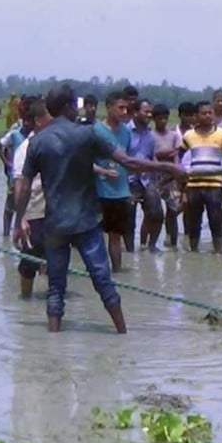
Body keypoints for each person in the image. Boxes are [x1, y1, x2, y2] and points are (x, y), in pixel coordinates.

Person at [13, 84, 182, 333]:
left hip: (55, 223)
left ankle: (53, 340)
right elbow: (129, 162)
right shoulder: (88, 134)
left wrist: (19, 220)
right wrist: (168, 168)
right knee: (104, 282)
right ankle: (122, 333)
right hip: (86, 221)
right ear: (70, 107)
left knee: (55, 288)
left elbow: (24, 188)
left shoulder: (37, 142)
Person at [179, 100, 222, 252]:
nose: (208, 116)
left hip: (215, 185)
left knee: (216, 220)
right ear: (196, 116)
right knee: (193, 221)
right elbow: (178, 156)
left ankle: (218, 252)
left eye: (210, 113)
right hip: (193, 186)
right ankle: (193, 252)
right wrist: (181, 178)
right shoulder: (189, 135)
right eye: (204, 113)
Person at [12, 99, 51, 298]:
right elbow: (20, 186)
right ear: (38, 121)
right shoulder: (25, 149)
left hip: (53, 211)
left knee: (54, 260)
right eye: (48, 117)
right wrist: (21, 219)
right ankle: (25, 300)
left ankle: (52, 301)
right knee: (29, 262)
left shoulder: (55, 143)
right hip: (33, 212)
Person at [93, 91, 133, 271]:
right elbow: (83, 162)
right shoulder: (95, 131)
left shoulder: (126, 132)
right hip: (100, 192)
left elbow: (129, 160)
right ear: (109, 107)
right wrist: (102, 170)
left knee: (116, 237)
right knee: (95, 237)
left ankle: (117, 274)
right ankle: (98, 273)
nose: (124, 111)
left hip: (121, 193)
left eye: (126, 108)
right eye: (120, 108)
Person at [127, 99, 164, 252]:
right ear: (135, 112)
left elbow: (152, 156)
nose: (150, 115)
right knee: (128, 220)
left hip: (146, 180)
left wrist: (158, 177)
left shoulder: (150, 134)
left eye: (151, 112)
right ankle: (129, 251)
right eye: (146, 111)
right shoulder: (125, 131)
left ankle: (151, 246)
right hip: (128, 181)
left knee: (157, 214)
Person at [0, 102, 34, 237]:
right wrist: (7, 163)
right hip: (15, 175)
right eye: (24, 120)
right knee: (10, 206)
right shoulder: (14, 134)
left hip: (30, 175)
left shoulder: (35, 136)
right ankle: (6, 233)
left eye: (29, 121)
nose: (26, 124)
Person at [151, 103, 182, 249]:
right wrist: (163, 156)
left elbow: (176, 155)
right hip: (155, 178)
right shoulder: (150, 136)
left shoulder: (174, 135)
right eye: (160, 118)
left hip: (171, 178)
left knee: (173, 210)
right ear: (154, 119)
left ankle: (173, 241)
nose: (163, 121)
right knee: (154, 212)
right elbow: (152, 156)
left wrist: (175, 171)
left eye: (165, 118)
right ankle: (149, 243)